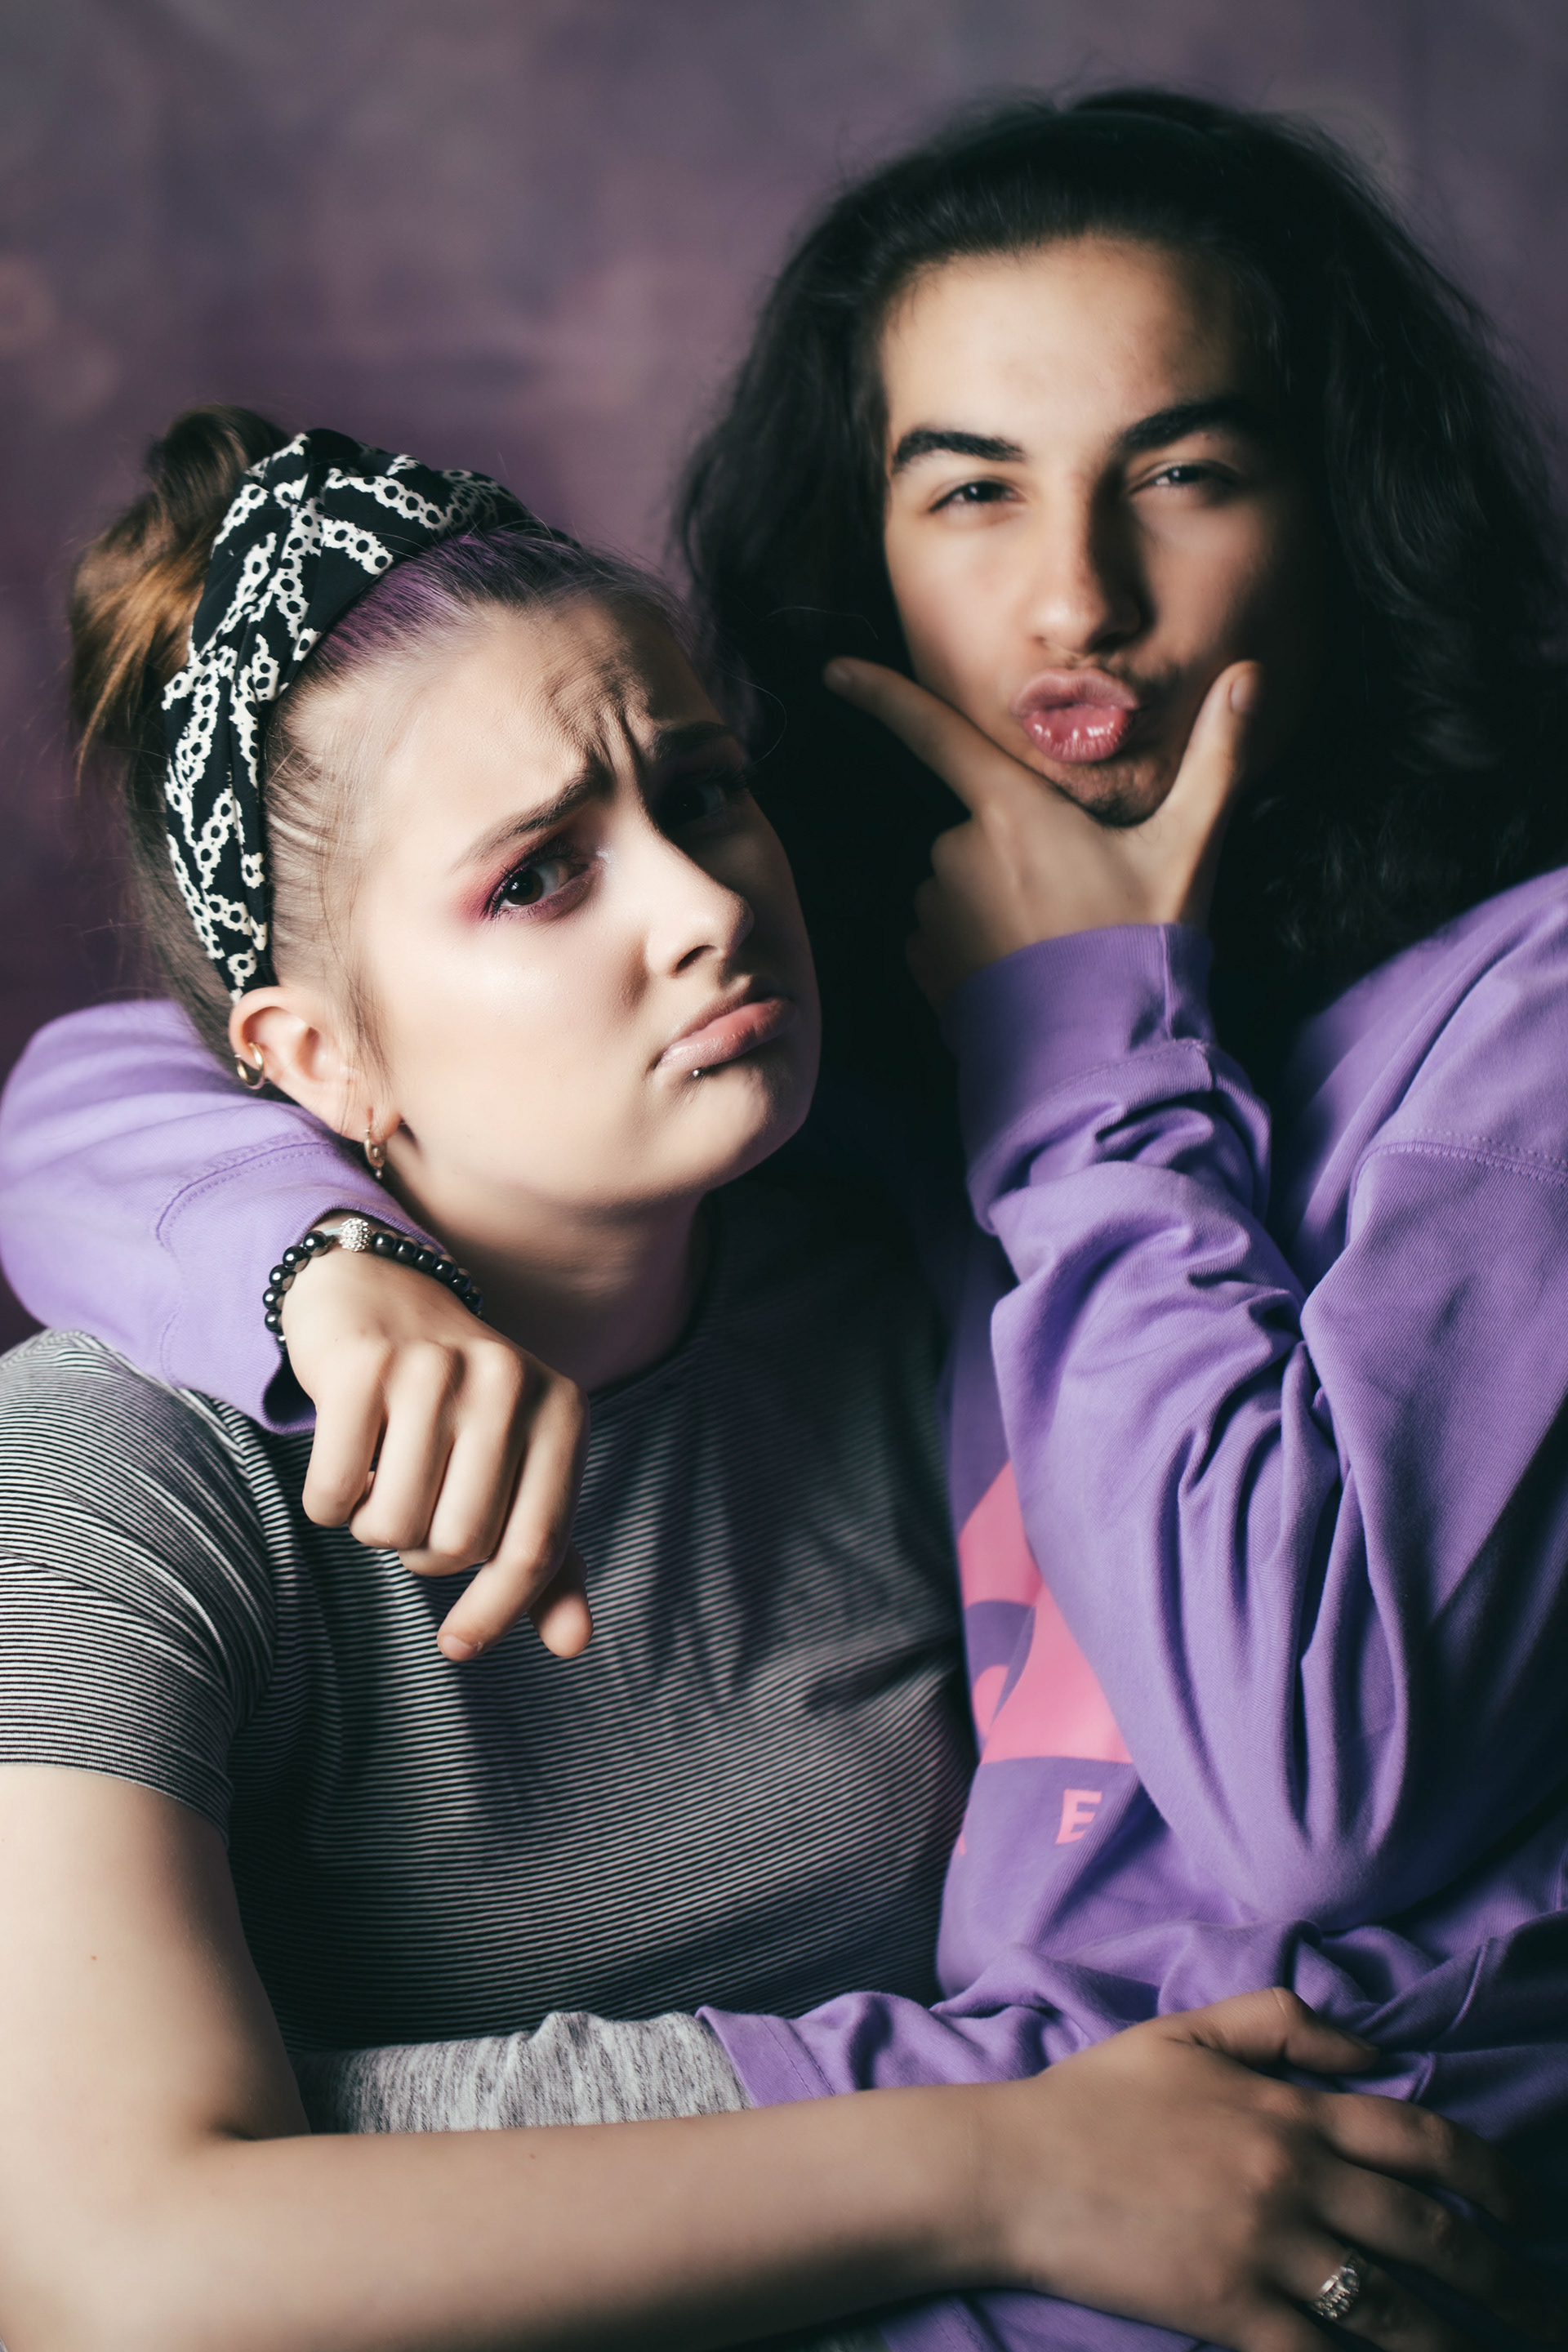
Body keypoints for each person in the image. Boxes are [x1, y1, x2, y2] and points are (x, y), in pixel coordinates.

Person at [2, 84, 1568, 2346]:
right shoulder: (145, 1445)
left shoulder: (895, 1197)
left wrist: (1087, 1025)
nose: (1078, 601)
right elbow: (102, 2263)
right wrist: (317, 1268)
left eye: (1187, 471)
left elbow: (1298, 1811)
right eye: (971, 489)